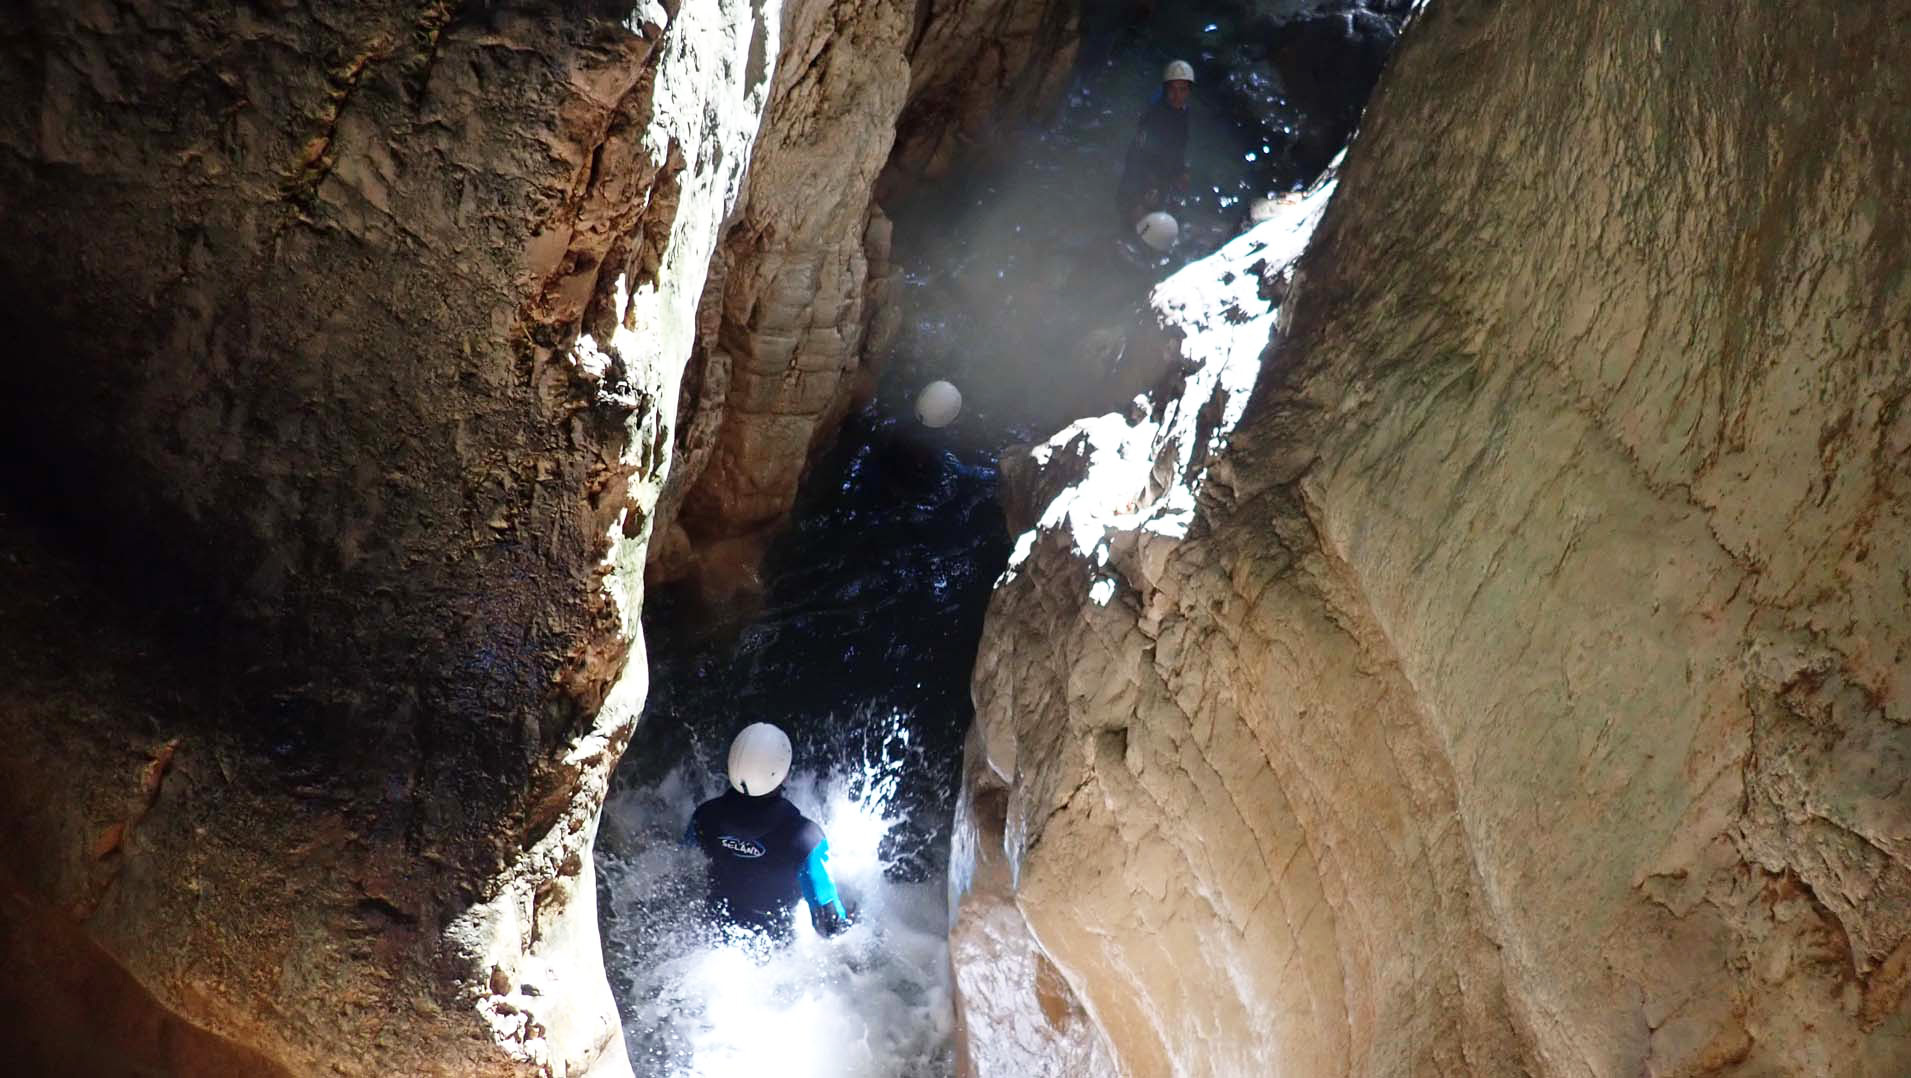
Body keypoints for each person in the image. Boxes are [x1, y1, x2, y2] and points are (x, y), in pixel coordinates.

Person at [686, 722, 853, 940]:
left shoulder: (704, 816)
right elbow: (828, 926)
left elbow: (683, 867)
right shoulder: (806, 839)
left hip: (712, 937)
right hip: (776, 950)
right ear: (782, 772)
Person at [1117, 59, 1195, 228]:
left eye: (1182, 90)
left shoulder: (1182, 113)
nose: (1177, 96)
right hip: (1143, 186)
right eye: (1173, 90)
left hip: (1160, 182)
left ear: (1189, 91)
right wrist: (1136, 201)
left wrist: (1181, 171)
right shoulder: (1154, 118)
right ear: (1166, 90)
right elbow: (1135, 158)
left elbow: (1177, 147)